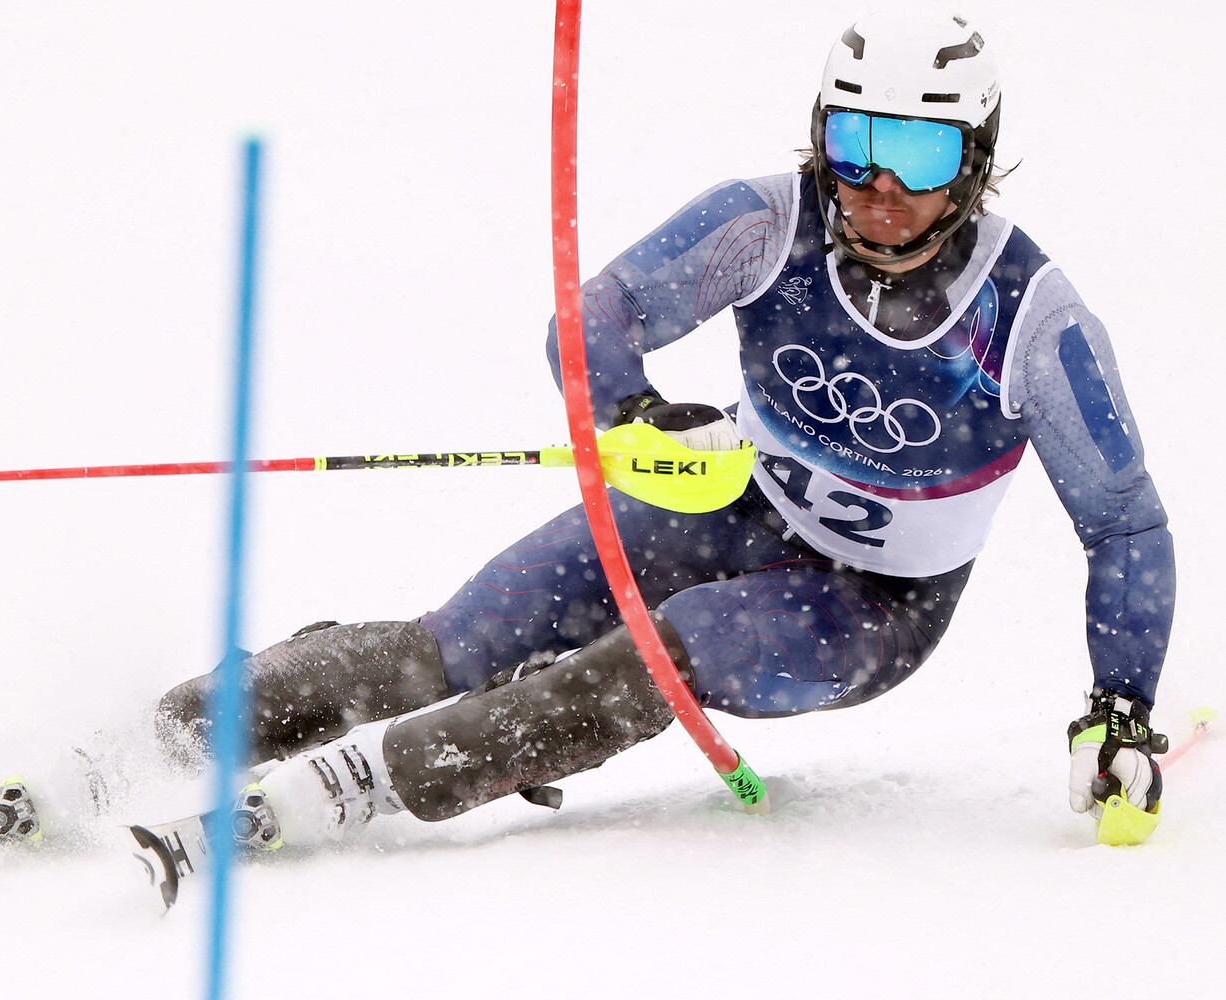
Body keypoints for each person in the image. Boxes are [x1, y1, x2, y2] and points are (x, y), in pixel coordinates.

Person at [155, 10, 1175, 851]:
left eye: (920, 150)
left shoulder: (1031, 319)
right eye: (855, 141)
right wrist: (634, 414)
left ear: (975, 160)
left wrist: (1119, 709)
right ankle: (166, 732)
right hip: (733, 504)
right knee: (461, 640)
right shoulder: (766, 224)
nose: (880, 184)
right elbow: (594, 318)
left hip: (870, 603)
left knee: (662, 654)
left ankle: (361, 785)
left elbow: (1124, 523)